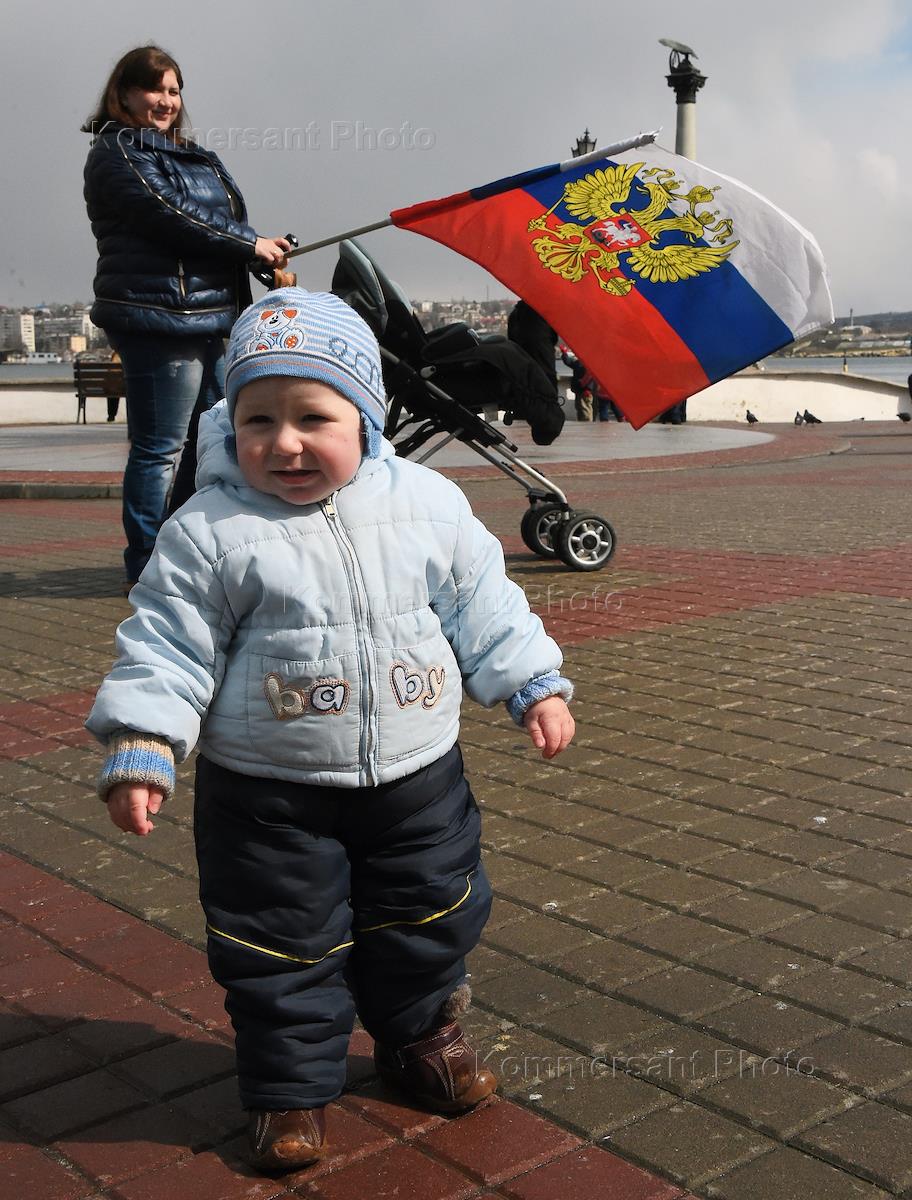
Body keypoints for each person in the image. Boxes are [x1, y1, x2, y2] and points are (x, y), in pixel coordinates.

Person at [86, 289, 576, 1172]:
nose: (284, 443)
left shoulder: (428, 504)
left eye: (314, 417)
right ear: (228, 424)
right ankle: (287, 1087)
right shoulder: (209, 531)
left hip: (418, 779)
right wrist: (144, 741)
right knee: (278, 939)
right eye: (258, 419)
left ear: (366, 418)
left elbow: (485, 605)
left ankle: (419, 1037)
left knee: (432, 912)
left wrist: (532, 684)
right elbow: (167, 642)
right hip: (268, 793)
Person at [82, 45, 292, 590]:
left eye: (174, 90)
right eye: (155, 88)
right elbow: (170, 214)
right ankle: (147, 567)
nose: (167, 100)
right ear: (124, 94)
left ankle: (187, 553)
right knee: (161, 450)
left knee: (213, 441)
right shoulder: (117, 151)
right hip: (158, 319)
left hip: (212, 318)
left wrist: (260, 254)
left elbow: (214, 226)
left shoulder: (192, 155)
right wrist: (249, 243)